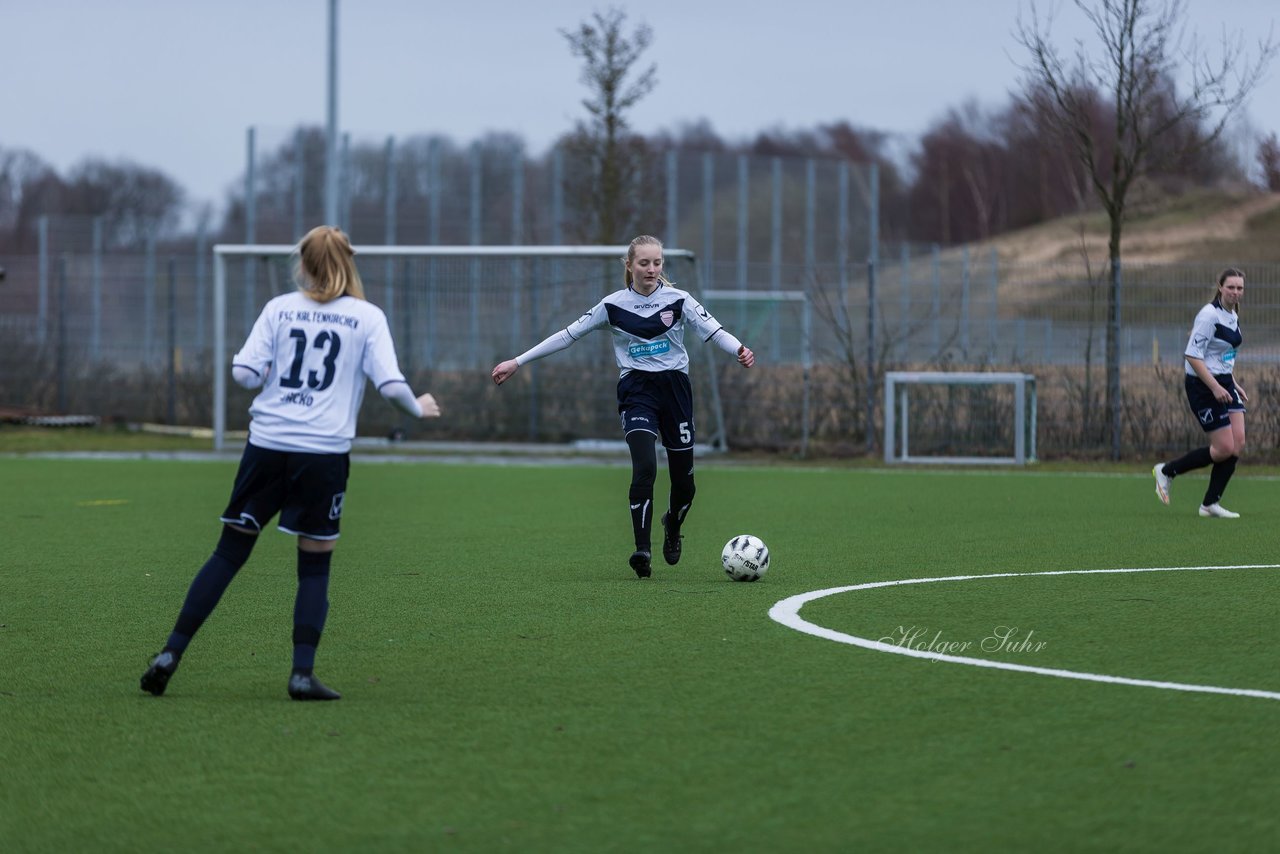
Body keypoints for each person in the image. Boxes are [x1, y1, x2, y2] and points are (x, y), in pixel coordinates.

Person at [141, 225, 441, 700]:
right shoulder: (366, 317)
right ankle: (301, 675)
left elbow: (243, 373)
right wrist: (419, 409)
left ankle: (169, 654)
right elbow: (390, 386)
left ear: (302, 263)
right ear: (349, 261)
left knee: (228, 552)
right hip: (322, 456)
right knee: (315, 566)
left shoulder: (278, 308)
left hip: (267, 448)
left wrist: (263, 371)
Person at [491, 234, 754, 578]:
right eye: (644, 263)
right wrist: (518, 361)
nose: (651, 269)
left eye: (657, 262)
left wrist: (738, 349)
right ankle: (642, 550)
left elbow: (714, 329)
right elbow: (568, 335)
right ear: (629, 266)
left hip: (675, 390)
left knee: (685, 484)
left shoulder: (679, 300)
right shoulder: (612, 305)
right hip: (636, 390)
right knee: (645, 465)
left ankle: (672, 524)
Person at [1152, 267, 1246, 518]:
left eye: (1240, 288)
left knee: (1238, 443)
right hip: (1203, 386)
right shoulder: (1208, 315)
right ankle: (1167, 470)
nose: (1236, 292)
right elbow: (1192, 355)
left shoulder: (1233, 314)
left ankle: (1209, 504)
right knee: (1224, 447)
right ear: (1220, 287)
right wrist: (1215, 386)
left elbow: (1221, 354)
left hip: (1224, 382)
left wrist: (1232, 382)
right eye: (1231, 287)